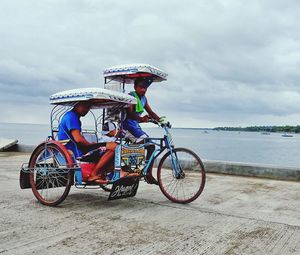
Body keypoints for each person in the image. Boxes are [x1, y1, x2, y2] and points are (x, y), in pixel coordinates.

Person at [57, 101, 117, 184]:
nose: (86, 109)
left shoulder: (72, 116)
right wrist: (91, 144)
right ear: (77, 104)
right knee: (114, 146)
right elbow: (78, 139)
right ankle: (94, 174)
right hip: (76, 151)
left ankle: (109, 172)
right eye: (84, 106)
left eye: (88, 107)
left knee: (115, 146)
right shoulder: (72, 117)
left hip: (78, 148)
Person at [123, 77, 162, 185]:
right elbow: (129, 113)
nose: (143, 90)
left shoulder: (144, 99)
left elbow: (151, 112)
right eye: (140, 87)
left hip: (135, 127)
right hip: (126, 126)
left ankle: (146, 173)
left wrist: (161, 120)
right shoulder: (131, 96)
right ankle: (129, 167)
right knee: (147, 144)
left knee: (150, 146)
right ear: (135, 87)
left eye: (145, 88)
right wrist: (141, 119)